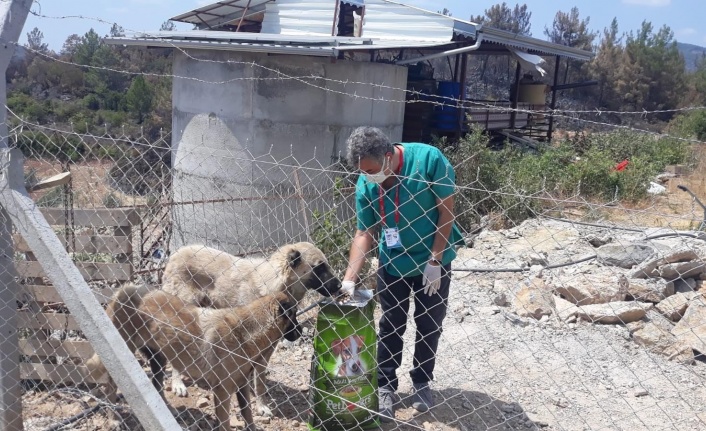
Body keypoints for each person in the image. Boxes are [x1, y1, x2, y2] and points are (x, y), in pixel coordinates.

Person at [340, 126, 464, 422]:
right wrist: (349, 279)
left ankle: (422, 382)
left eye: (371, 170)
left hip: (432, 260)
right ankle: (385, 386)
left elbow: (446, 213)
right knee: (391, 324)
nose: (368, 177)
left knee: (429, 323)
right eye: (363, 172)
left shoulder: (428, 161)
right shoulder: (367, 182)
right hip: (393, 262)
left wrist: (435, 261)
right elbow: (364, 231)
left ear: (387, 156)